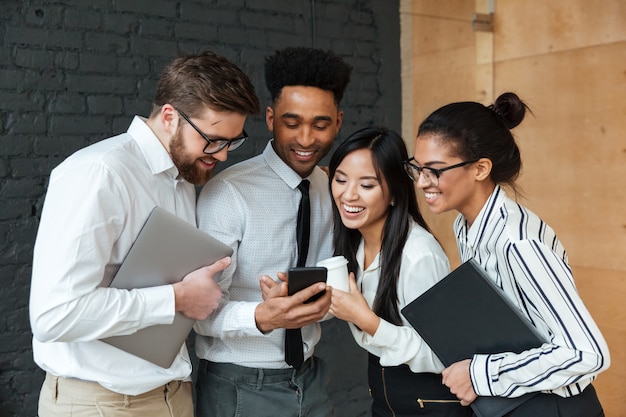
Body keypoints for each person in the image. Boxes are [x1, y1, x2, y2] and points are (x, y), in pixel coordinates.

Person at [29, 51, 260, 417]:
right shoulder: (99, 173)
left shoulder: (182, 177)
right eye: (214, 140)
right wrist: (176, 298)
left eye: (232, 142)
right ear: (169, 117)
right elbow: (54, 315)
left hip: (172, 396)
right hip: (100, 404)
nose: (224, 155)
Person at [407, 92, 610, 416]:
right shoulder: (466, 225)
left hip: (555, 407)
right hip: (518, 402)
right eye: (417, 168)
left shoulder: (517, 242)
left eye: (435, 170)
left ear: (480, 168)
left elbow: (588, 353)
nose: (421, 182)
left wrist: (478, 374)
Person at [194, 46, 352, 417]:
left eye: (320, 124)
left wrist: (322, 304)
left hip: (309, 379)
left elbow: (334, 286)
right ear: (270, 118)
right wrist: (263, 316)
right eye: (292, 122)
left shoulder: (334, 191)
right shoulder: (228, 193)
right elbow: (197, 312)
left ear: (339, 122)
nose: (306, 139)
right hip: (239, 388)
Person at [327, 127, 472, 417]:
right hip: (387, 399)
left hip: (431, 404)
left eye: (367, 185)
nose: (348, 194)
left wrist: (367, 321)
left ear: (394, 192)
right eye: (340, 180)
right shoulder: (355, 244)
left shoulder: (419, 255)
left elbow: (442, 354)